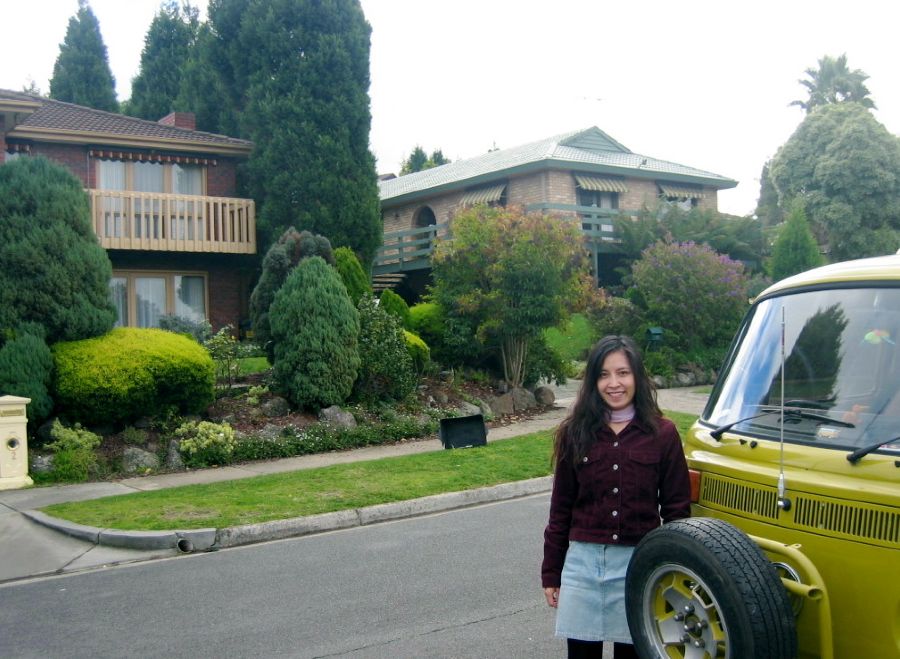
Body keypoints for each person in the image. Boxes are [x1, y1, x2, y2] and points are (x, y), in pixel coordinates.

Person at [542, 335, 691, 659]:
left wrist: (672, 573)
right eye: (604, 374)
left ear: (636, 376)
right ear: (593, 381)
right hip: (582, 566)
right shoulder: (574, 433)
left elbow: (677, 511)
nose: (614, 383)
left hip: (638, 566)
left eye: (622, 373)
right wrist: (551, 572)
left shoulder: (662, 434)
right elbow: (560, 511)